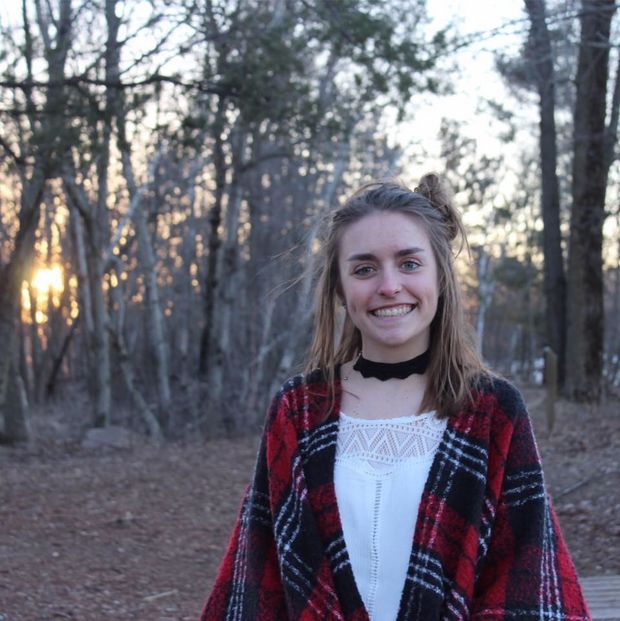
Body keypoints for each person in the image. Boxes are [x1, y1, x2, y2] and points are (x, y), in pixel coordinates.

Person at [199, 175, 590, 620]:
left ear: (440, 276)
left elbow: (525, 574)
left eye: (408, 264)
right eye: (364, 269)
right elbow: (260, 565)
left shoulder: (492, 410)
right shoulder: (300, 409)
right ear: (341, 290)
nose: (388, 286)